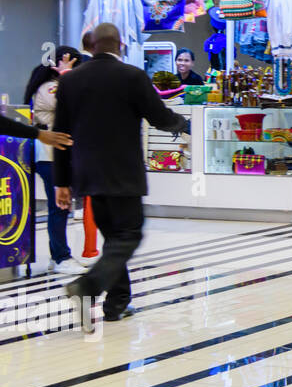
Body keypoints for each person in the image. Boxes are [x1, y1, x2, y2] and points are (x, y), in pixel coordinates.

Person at [55, 22, 190, 326]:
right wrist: (181, 124)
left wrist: (61, 182)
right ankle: (87, 286)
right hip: (122, 171)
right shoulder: (131, 76)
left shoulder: (70, 81)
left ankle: (116, 304)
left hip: (88, 173)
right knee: (129, 234)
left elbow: (60, 134)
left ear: (90, 47)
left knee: (114, 238)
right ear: (121, 45)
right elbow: (158, 116)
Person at [23, 46, 83, 273]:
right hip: (49, 155)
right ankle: (60, 257)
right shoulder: (50, 87)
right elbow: (72, 102)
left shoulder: (57, 86)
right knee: (58, 206)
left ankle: (58, 255)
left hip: (57, 154)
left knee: (60, 206)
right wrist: (67, 74)